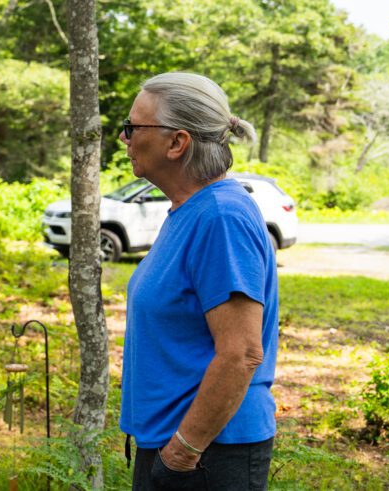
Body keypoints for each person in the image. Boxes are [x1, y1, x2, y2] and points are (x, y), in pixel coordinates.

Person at [117, 72, 279, 490]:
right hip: (182, 447)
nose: (124, 137)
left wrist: (182, 452)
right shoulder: (189, 210)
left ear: (177, 142)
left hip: (206, 456)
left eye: (133, 127)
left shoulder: (221, 217)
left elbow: (241, 353)